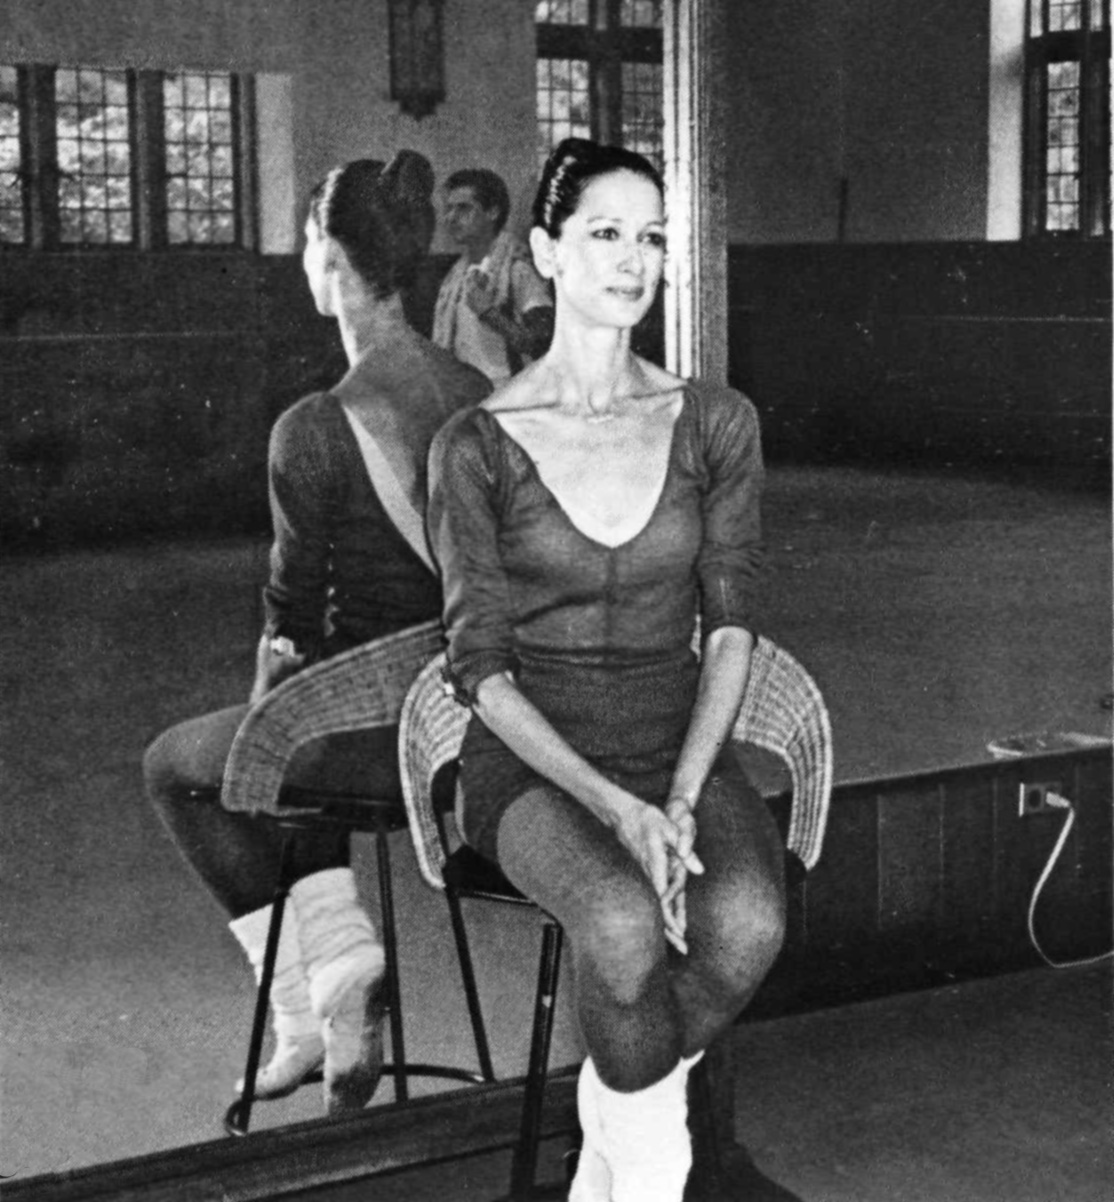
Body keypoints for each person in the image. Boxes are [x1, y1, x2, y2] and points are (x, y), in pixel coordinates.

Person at [427, 139, 786, 1202]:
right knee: (623, 925)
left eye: (652, 236)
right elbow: (477, 667)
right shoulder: (476, 442)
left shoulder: (715, 420)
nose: (634, 260)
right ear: (545, 248)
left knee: (750, 925)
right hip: (532, 754)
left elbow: (729, 626)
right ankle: (646, 1166)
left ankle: (614, 1114)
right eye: (605, 232)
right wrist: (617, 813)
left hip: (673, 735)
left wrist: (674, 794)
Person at [143, 152, 491, 1116]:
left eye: (306, 241)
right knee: (315, 720)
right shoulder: (480, 389)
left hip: (373, 746)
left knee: (183, 764)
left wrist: (267, 704)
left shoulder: (314, 426)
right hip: (475, 727)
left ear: (332, 261)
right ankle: (329, 1010)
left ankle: (315, 992)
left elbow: (290, 625)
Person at [432, 167, 553, 384]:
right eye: (448, 208)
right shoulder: (454, 277)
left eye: (463, 208)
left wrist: (489, 314)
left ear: (492, 212)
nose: (451, 217)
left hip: (506, 398)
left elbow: (542, 343)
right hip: (464, 399)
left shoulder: (517, 270)